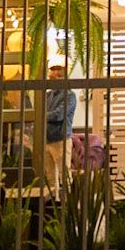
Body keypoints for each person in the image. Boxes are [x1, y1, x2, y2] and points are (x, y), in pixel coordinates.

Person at [42, 64, 77, 192]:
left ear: (62, 79)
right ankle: (53, 201)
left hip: (60, 139)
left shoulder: (70, 95)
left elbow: (58, 115)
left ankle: (67, 201)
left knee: (64, 176)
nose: (49, 81)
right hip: (46, 138)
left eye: (52, 78)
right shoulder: (47, 95)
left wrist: (41, 116)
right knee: (50, 177)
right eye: (49, 78)